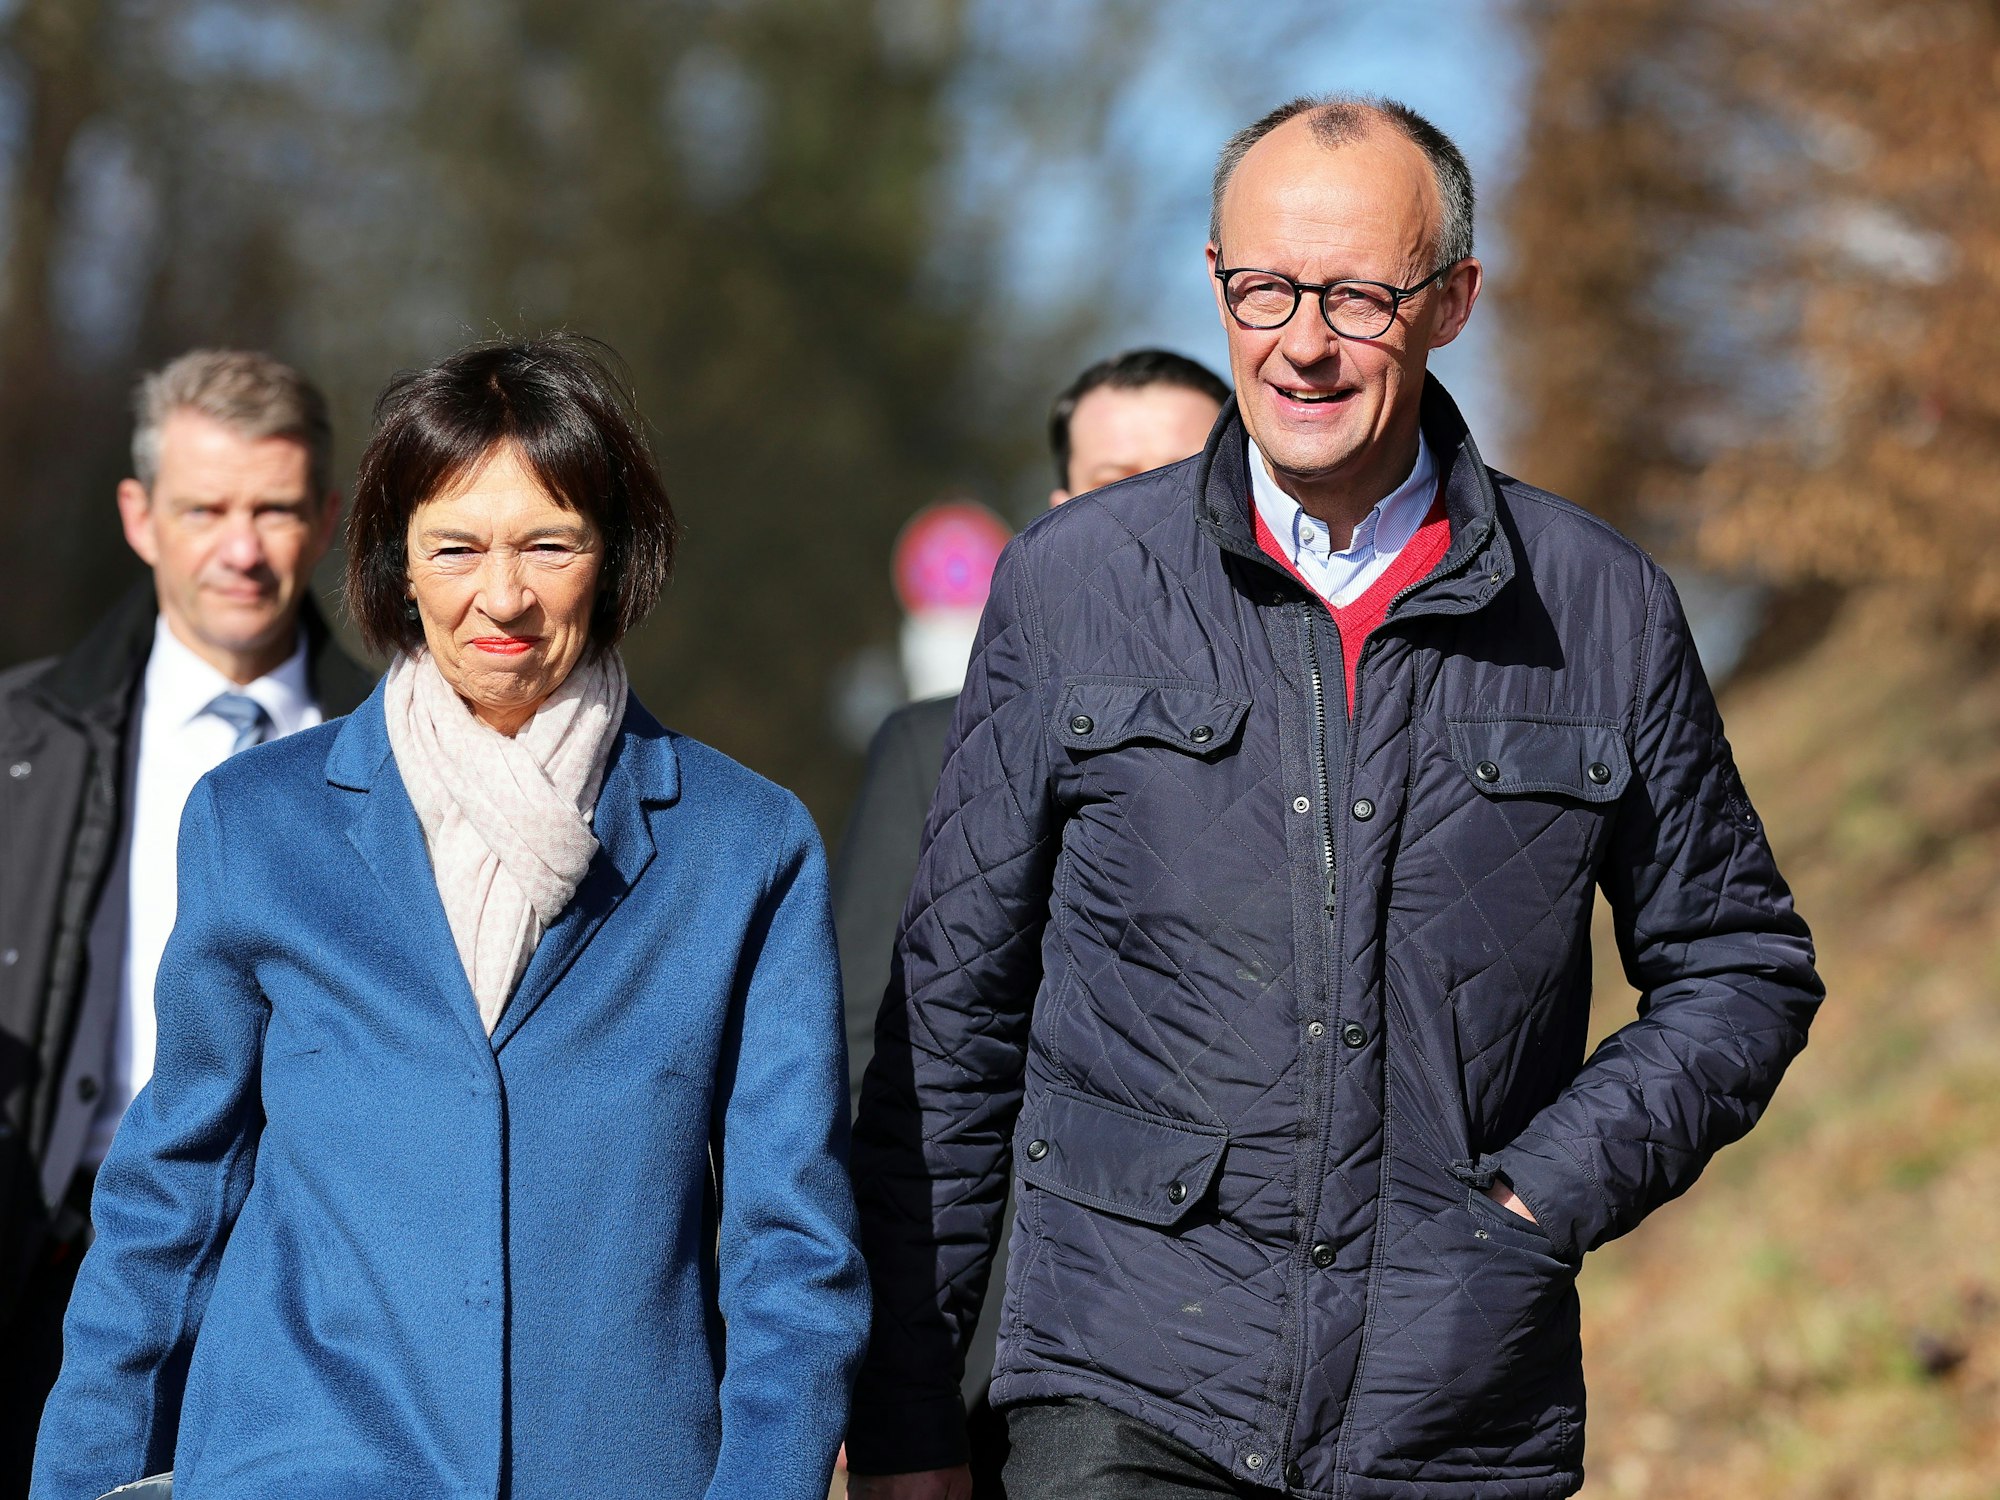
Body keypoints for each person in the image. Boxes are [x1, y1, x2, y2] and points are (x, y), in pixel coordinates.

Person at [846, 94, 1822, 1500]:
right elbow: (949, 1018)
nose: (1302, 340)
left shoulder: (1598, 608)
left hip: (1454, 1415)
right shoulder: (1075, 590)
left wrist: (1538, 1198)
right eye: (1266, 289)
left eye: (1359, 295)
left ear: (1453, 301)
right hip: (1121, 1388)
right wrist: (911, 1414)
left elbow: (1740, 966)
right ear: (1215, 283)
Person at [31, 336, 868, 1499]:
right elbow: (169, 1198)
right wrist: (81, 1479)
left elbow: (791, 1250)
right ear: (397, 565)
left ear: (615, 555)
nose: (504, 596)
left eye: (549, 544)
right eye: (458, 547)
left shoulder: (743, 845)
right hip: (300, 1462)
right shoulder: (257, 823)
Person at [833, 348, 1226, 1496]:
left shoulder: (1312, 762)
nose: (1147, 509)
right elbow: (876, 1065)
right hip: (1003, 1372)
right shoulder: (933, 748)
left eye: (1183, 473)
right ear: (1059, 511)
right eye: (1115, 477)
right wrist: (893, 1383)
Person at [0, 350, 370, 1491]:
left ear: (327, 515)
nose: (242, 549)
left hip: (306, 1294)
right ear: (138, 516)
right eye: (206, 509)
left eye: (273, 509)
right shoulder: (18, 741)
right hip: (44, 1271)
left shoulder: (407, 749)